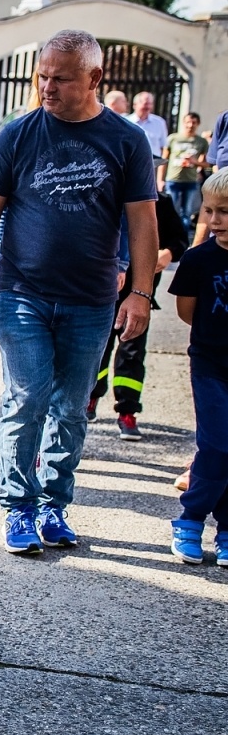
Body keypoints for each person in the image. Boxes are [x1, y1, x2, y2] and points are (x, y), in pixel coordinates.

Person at [0, 29, 157, 556]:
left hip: (91, 300)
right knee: (27, 398)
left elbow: (142, 222)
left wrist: (139, 292)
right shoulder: (18, 135)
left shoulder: (127, 140)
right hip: (21, 293)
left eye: (61, 79)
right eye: (42, 76)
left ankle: (53, 503)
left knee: (71, 407)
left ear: (94, 78)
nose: (47, 87)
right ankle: (18, 507)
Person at [86, 194, 187, 441]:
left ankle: (127, 410)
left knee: (132, 352)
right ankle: (89, 397)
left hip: (138, 294)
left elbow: (179, 240)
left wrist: (168, 253)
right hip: (103, 292)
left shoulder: (161, 203)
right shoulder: (106, 197)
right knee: (97, 349)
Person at [167, 171, 228, 566]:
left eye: (224, 211)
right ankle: (189, 519)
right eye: (209, 210)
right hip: (210, 364)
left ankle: (226, 529)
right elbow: (187, 313)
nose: (215, 219)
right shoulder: (198, 259)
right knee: (218, 443)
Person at [163, 111, 208, 226]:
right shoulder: (173, 138)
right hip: (173, 179)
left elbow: (207, 163)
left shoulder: (201, 142)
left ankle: (183, 240)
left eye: (193, 122)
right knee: (169, 211)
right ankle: (168, 239)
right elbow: (164, 160)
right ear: (183, 123)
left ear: (198, 124)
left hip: (191, 180)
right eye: (188, 122)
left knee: (186, 212)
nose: (190, 125)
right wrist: (160, 179)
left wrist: (194, 162)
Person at [128, 91, 168, 187]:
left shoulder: (159, 122)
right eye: (145, 103)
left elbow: (164, 149)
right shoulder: (126, 121)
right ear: (135, 105)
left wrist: (160, 178)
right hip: (131, 167)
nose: (147, 107)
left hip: (153, 166)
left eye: (150, 104)